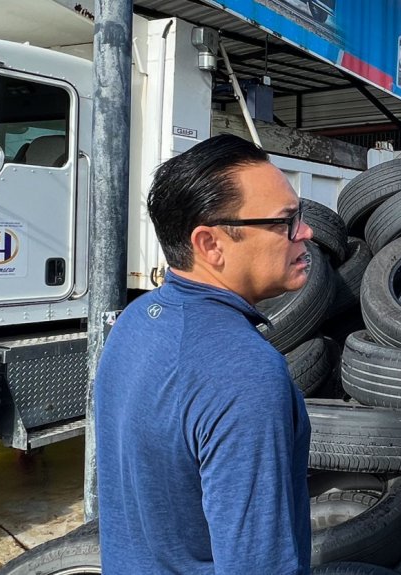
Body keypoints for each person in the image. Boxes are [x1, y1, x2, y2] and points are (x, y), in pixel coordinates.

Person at [95, 134, 314, 573]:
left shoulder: (137, 321)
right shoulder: (243, 371)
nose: (305, 232)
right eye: (284, 221)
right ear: (211, 244)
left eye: (300, 214)